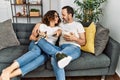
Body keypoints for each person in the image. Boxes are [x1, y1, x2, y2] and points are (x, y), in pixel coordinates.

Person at [0, 10, 61, 80]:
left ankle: (10, 75)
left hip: (47, 50)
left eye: (58, 16)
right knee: (37, 51)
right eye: (56, 16)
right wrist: (39, 36)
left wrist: (48, 34)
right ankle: (9, 69)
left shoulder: (58, 28)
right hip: (37, 44)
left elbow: (58, 33)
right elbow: (31, 37)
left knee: (41, 59)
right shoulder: (40, 25)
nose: (58, 18)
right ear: (50, 17)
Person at [34, 6, 86, 80]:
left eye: (64, 15)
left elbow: (83, 42)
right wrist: (39, 26)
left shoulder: (78, 25)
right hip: (60, 48)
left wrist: (74, 38)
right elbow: (49, 22)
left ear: (70, 15)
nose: (62, 17)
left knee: (54, 59)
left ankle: (61, 56)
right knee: (39, 40)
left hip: (73, 47)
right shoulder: (60, 24)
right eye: (61, 15)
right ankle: (61, 55)